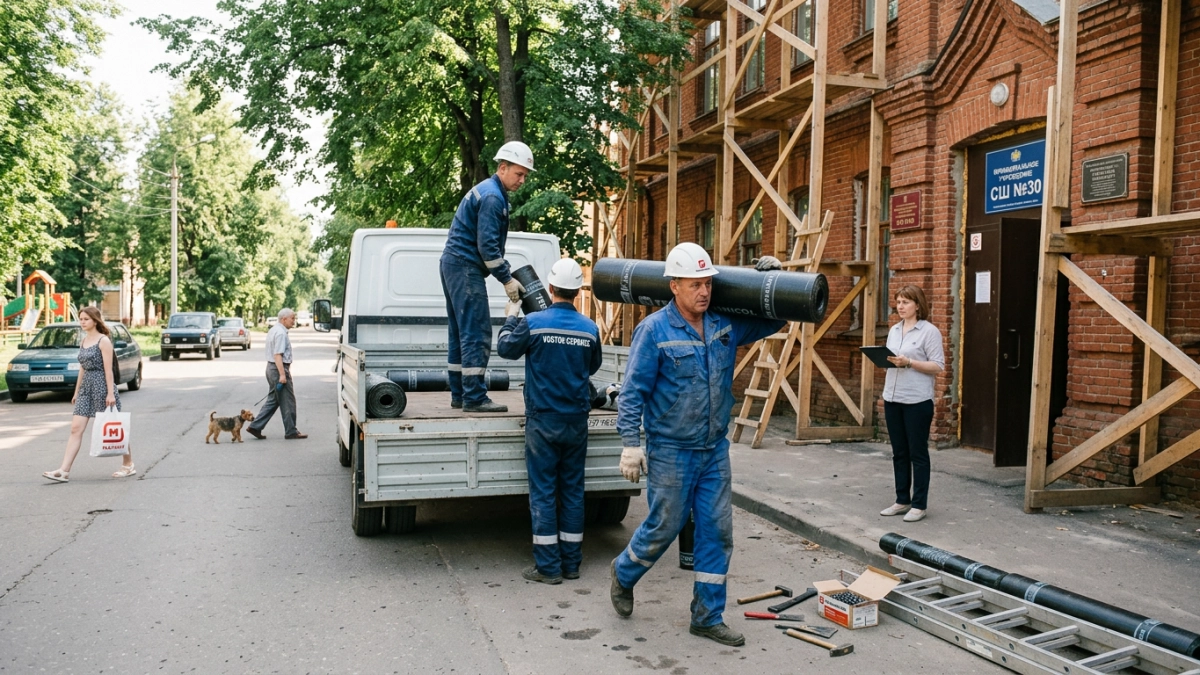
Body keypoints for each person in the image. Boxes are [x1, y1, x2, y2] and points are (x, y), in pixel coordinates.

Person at [610, 243, 786, 647]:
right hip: (670, 449)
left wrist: (770, 281)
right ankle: (623, 574)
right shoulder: (654, 330)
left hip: (713, 450)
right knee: (664, 526)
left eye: (708, 283)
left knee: (717, 532)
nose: (704, 292)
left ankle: (707, 616)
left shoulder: (725, 323)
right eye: (695, 284)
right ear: (674, 286)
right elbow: (633, 392)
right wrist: (629, 444)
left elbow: (772, 323)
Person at [496, 258, 603, 585]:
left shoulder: (534, 322)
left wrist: (511, 319)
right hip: (575, 422)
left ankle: (548, 568)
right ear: (575, 291)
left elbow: (505, 349)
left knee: (543, 492)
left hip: (543, 423)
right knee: (572, 492)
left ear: (551, 288)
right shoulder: (589, 328)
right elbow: (593, 367)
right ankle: (571, 564)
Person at [440, 141, 536, 414]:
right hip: (465, 267)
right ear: (502, 168)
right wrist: (506, 279)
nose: (522, 180)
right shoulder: (494, 197)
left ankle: (460, 394)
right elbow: (488, 248)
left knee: (459, 334)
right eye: (519, 173)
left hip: (453, 264)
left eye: (526, 175)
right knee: (476, 333)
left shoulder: (489, 191)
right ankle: (474, 398)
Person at [42, 307, 135, 482]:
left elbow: (108, 370)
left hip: (102, 386)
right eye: (81, 319)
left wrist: (110, 393)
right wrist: (77, 391)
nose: (82, 322)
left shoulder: (103, 341)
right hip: (86, 388)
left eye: (86, 319)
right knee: (75, 428)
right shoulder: (84, 340)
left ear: (95, 320)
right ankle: (64, 471)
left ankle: (128, 464)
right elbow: (82, 368)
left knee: (115, 426)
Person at [878, 285, 944, 523]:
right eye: (898, 302)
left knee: (918, 453)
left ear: (918, 305)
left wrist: (909, 363)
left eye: (906, 302)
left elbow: (938, 366)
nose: (901, 306)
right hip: (893, 397)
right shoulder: (894, 330)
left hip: (917, 400)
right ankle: (901, 500)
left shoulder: (929, 332)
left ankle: (919, 504)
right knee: (899, 453)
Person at [246, 308, 307, 440]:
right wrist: (283, 375)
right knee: (288, 401)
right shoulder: (280, 333)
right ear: (284, 319)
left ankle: (255, 426)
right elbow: (277, 355)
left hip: (271, 368)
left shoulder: (274, 330)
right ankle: (291, 431)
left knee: (274, 400)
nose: (294, 321)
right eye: (292, 318)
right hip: (278, 369)